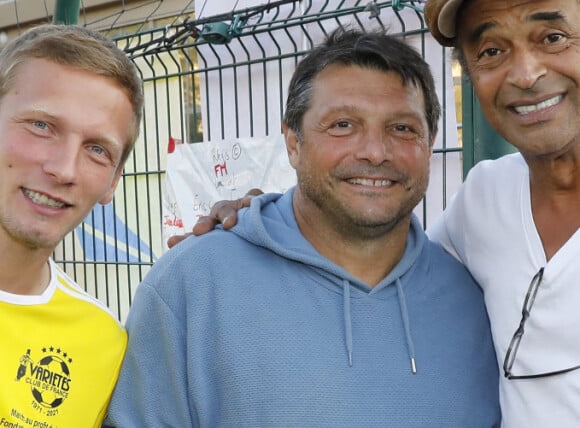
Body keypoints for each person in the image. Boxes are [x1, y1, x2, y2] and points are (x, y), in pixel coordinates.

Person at [189, 0, 580, 428]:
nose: (525, 73)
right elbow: (370, 239)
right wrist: (264, 220)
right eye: (491, 51)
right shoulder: (484, 202)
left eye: (553, 37)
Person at [105, 28, 500, 427]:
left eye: (402, 128)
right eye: (343, 125)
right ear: (292, 143)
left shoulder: (475, 298)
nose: (375, 152)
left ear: (429, 143)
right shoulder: (193, 285)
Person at [0, 24, 144, 427]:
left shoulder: (103, 346)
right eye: (41, 126)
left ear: (113, 181)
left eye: (96, 149)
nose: (64, 169)